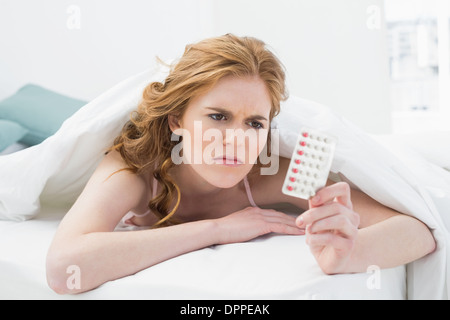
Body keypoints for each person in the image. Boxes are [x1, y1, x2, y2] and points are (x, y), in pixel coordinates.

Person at [46, 34, 436, 294]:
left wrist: (348, 254)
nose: (237, 139)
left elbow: (418, 230)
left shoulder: (270, 173)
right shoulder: (135, 168)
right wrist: (217, 229)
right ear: (177, 120)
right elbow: (64, 269)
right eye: (217, 116)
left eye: (254, 123)